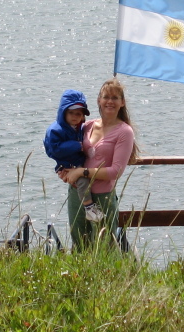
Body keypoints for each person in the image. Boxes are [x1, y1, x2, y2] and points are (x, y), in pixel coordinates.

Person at [60, 78, 139, 250]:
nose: (110, 101)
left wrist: (82, 172)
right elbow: (69, 151)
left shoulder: (125, 132)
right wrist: (65, 171)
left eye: (115, 98)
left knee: (103, 249)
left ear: (122, 102)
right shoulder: (87, 125)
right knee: (79, 245)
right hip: (77, 193)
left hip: (103, 197)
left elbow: (115, 172)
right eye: (106, 97)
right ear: (98, 100)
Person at [44, 89, 105, 222]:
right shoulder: (55, 130)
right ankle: (89, 208)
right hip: (66, 164)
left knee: (86, 177)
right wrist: (78, 146)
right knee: (82, 182)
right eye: (71, 113)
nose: (75, 117)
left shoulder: (79, 127)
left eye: (79, 114)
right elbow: (54, 149)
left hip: (77, 161)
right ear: (63, 112)